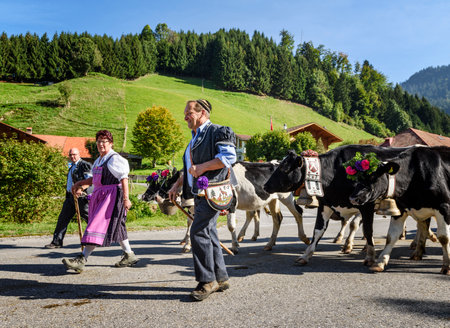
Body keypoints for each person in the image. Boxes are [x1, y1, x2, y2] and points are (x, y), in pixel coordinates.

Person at [168, 99, 237, 301]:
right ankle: (221, 277)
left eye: (189, 112)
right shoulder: (194, 139)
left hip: (213, 191)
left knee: (198, 231)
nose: (185, 116)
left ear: (203, 113)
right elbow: (189, 167)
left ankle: (207, 281)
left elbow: (228, 157)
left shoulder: (216, 131)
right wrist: (176, 185)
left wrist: (202, 168)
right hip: (200, 194)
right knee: (208, 231)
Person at [62, 130, 139, 273]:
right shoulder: (99, 160)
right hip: (101, 196)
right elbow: (94, 180)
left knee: (95, 225)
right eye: (99, 141)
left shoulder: (115, 159)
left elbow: (124, 178)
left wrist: (126, 199)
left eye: (104, 141)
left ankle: (82, 259)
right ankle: (129, 255)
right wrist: (80, 183)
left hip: (112, 197)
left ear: (111, 143)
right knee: (118, 225)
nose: (101, 144)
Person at [45, 148, 92, 249]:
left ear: (79, 154)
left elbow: (89, 180)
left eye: (74, 154)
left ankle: (100, 238)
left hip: (81, 197)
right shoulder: (72, 166)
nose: (72, 157)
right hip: (70, 197)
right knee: (62, 218)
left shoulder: (84, 165)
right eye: (70, 155)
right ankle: (57, 242)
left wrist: (81, 189)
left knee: (89, 218)